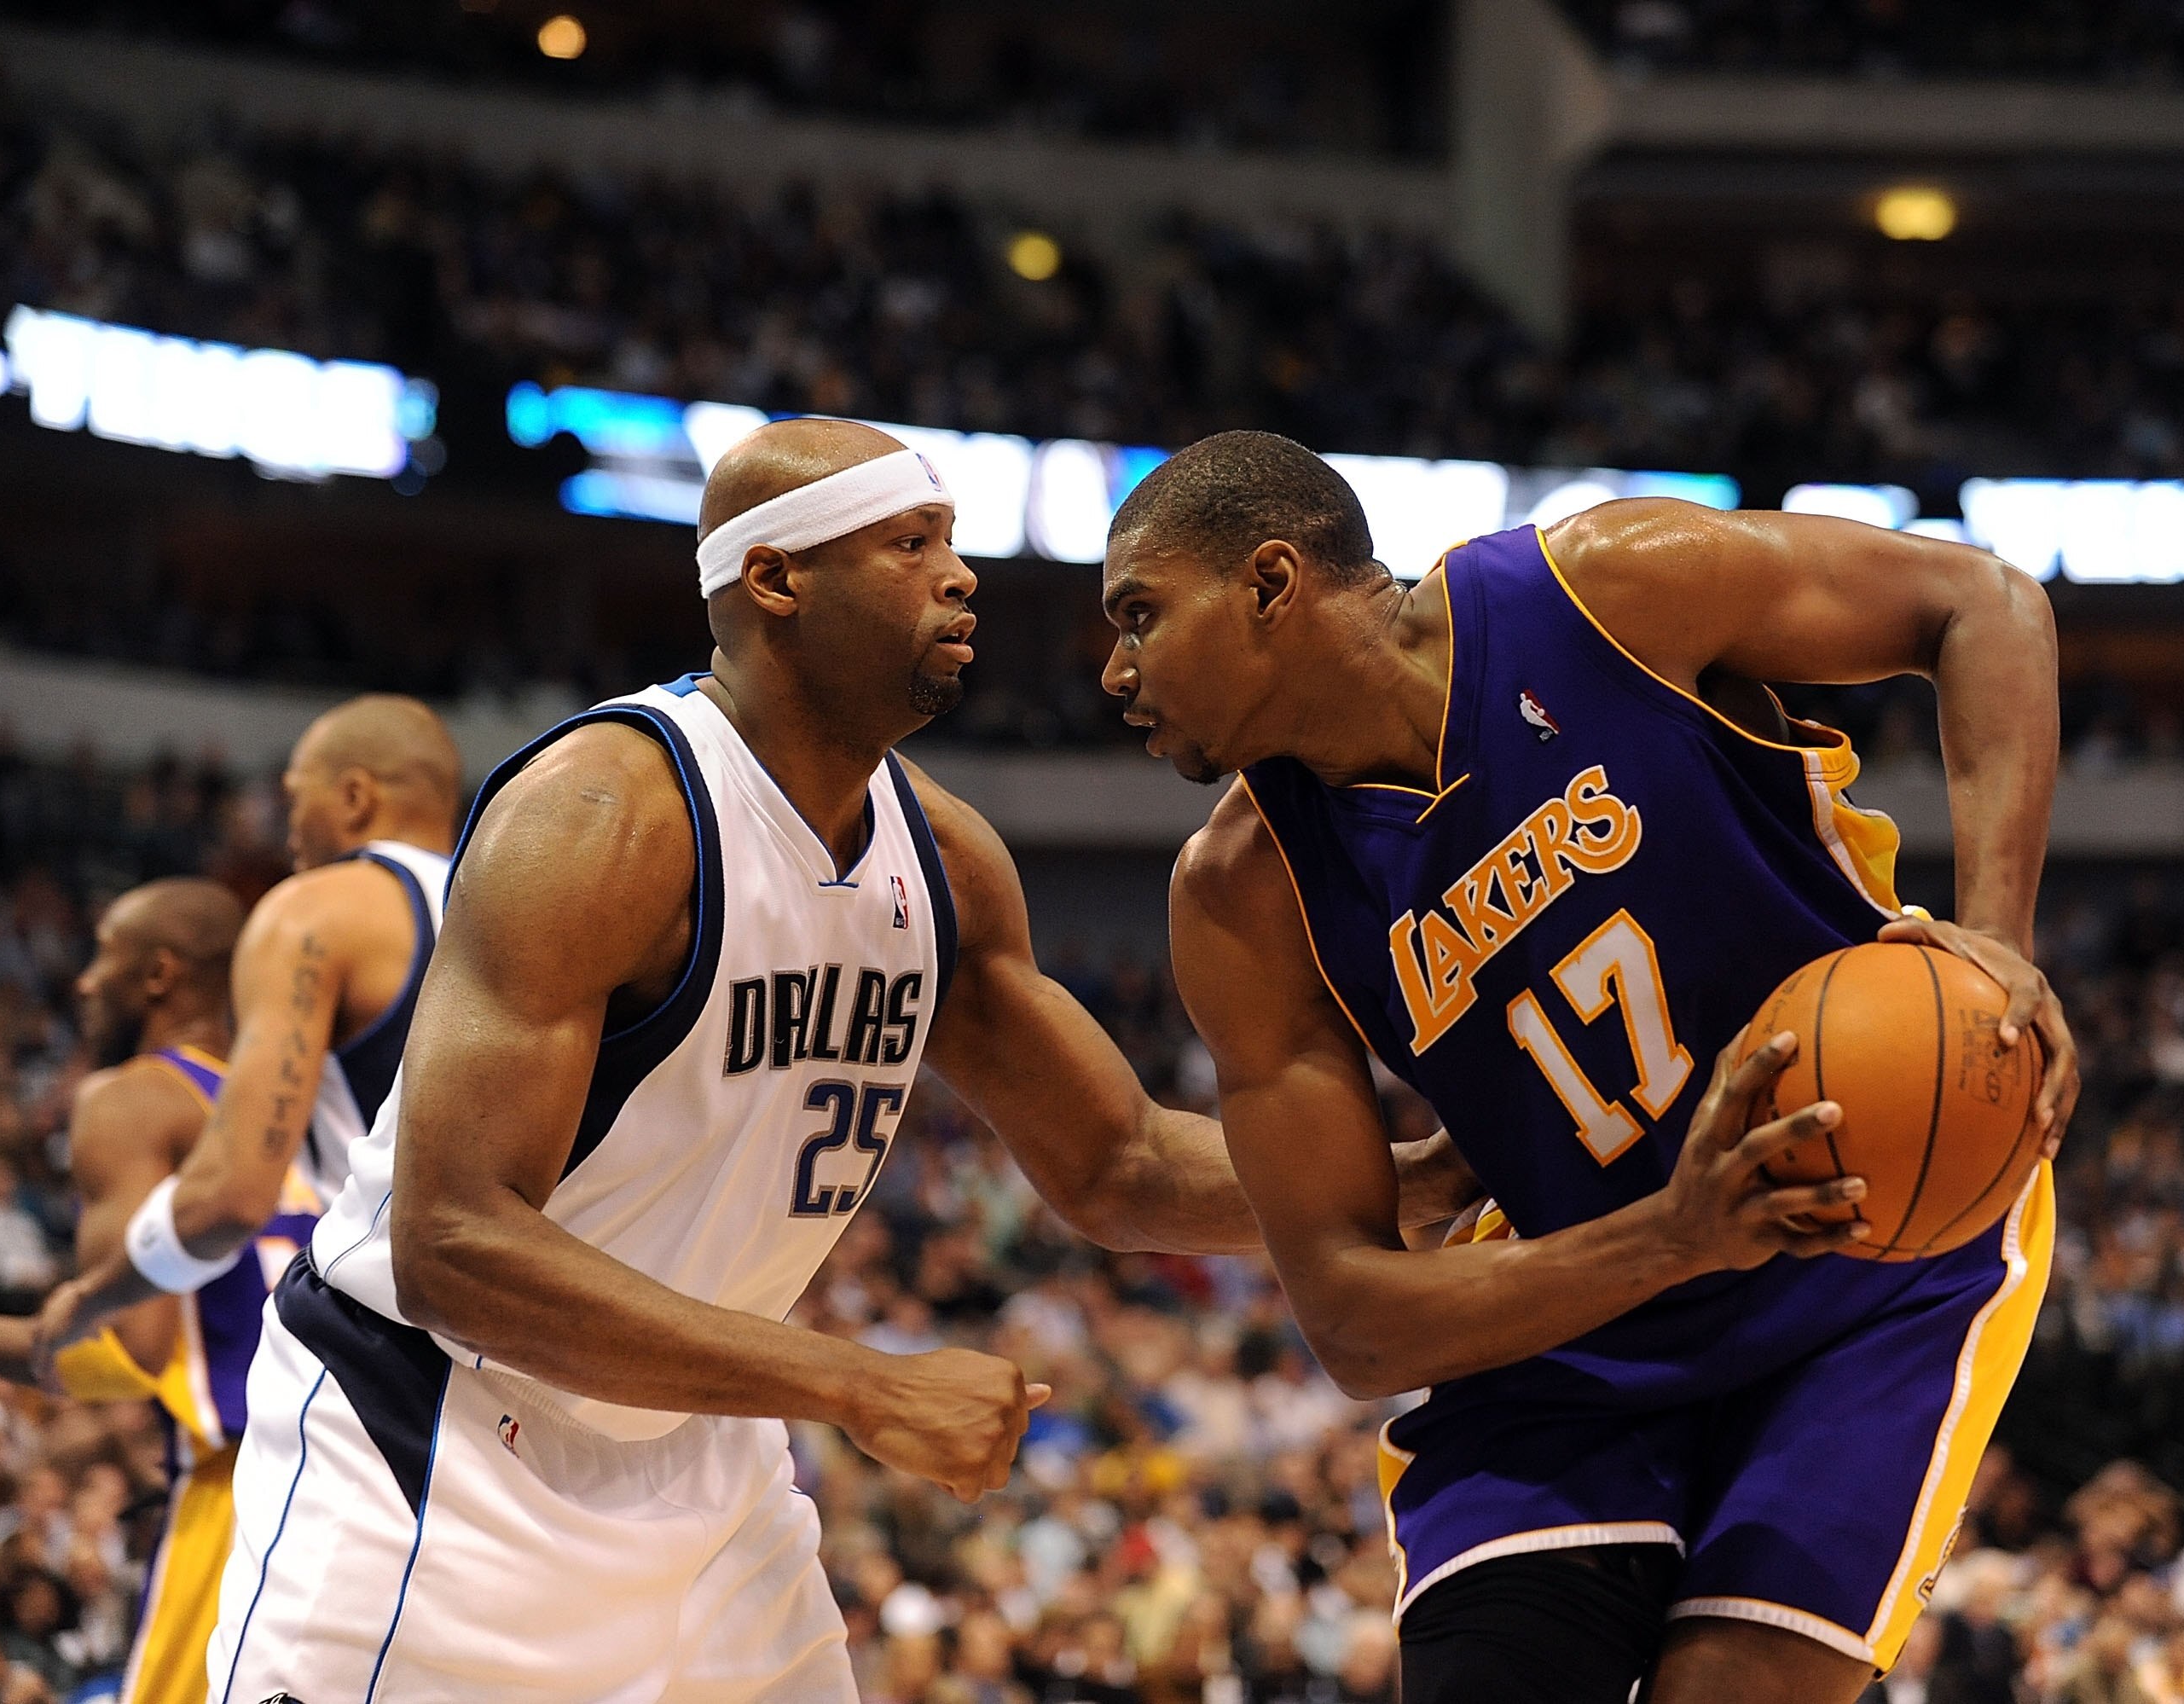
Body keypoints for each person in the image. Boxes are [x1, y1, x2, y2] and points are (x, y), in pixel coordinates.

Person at [204, 419, 1469, 1702]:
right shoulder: (604, 813)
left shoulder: (946, 859)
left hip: (703, 1442)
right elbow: (454, 1242)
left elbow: (1122, 1161)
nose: (961, 575)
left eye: (955, 544)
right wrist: (861, 1383)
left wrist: (1417, 1182)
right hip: (441, 1438)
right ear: (773, 581)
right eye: (911, 544)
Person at [1106, 431, 2082, 1704]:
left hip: (1873, 1260)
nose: (1118, 672)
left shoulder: (1600, 590)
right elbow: (1352, 1315)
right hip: (1583, 1306)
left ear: (1272, 583)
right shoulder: (1241, 896)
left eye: (1141, 615)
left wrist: (1996, 940)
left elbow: (1981, 602)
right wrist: (1675, 1236)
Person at [0, 877, 293, 1704]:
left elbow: (127, 1350)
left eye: (104, 955)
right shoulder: (291, 1113)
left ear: (159, 976)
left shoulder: (130, 1099)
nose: (82, 981)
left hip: (244, 1485)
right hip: (359, 1479)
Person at [32, 696, 461, 1357]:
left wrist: (91, 1299)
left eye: (294, 798)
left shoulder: (314, 912)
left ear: (354, 797)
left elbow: (229, 1200)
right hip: (522, 1347)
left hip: (380, 1344)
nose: (285, 826)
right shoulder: (538, 921)